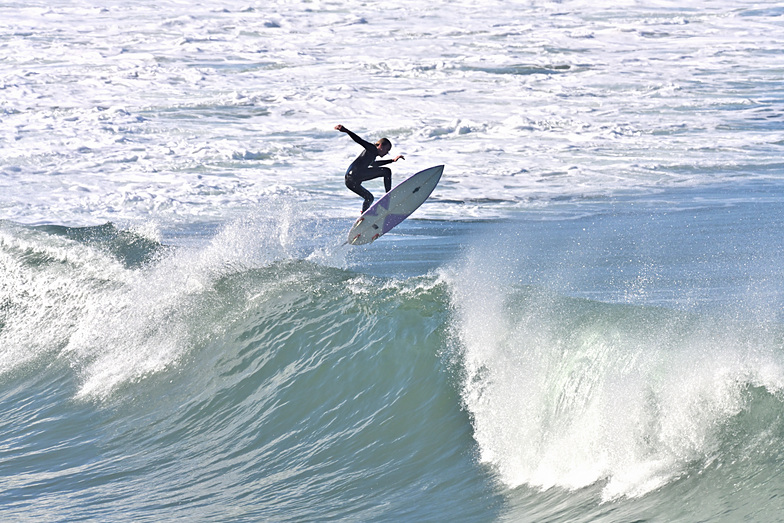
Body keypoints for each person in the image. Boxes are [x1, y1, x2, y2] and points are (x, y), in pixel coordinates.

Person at [335, 124, 404, 213]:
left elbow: (374, 165)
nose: (387, 153)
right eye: (387, 150)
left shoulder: (372, 154)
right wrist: (347, 131)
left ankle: (364, 215)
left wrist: (392, 160)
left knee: (369, 197)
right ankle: (388, 196)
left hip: (349, 181)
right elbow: (359, 140)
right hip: (355, 174)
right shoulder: (372, 148)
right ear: (381, 146)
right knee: (387, 171)